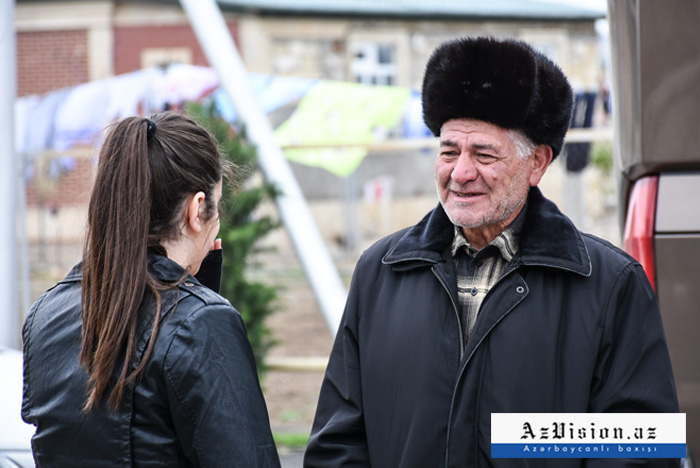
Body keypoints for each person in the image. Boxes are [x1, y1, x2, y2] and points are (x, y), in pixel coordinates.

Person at [304, 37, 679, 467]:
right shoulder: (381, 272)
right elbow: (338, 444)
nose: (461, 173)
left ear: (537, 162)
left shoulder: (610, 286)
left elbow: (638, 452)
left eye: (484, 154)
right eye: (449, 151)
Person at [22, 112, 281, 467]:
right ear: (197, 208)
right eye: (217, 206)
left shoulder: (45, 314)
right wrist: (199, 308)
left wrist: (193, 292)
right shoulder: (199, 324)